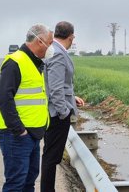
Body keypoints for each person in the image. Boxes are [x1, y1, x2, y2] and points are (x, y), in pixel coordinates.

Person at [0, 24, 53, 192]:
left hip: (33, 134)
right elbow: (4, 98)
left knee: (29, 181)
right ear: (39, 41)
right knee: (16, 184)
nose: (51, 48)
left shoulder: (35, 63)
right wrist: (19, 130)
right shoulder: (16, 62)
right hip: (16, 134)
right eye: (49, 43)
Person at [41, 21, 85, 192]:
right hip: (57, 115)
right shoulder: (58, 53)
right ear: (71, 37)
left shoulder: (54, 50)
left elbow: (58, 85)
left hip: (55, 111)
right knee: (52, 158)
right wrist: (64, 112)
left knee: (50, 157)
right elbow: (56, 88)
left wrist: (72, 98)